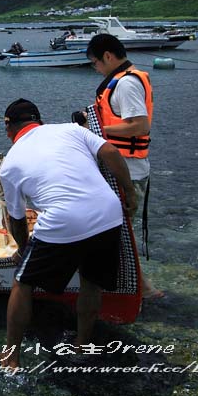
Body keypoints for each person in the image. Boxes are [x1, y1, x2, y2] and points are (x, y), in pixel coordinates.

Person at [0, 99, 137, 369]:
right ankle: (82, 345)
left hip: (63, 222)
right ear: (40, 120)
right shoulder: (71, 130)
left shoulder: (10, 164)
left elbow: (16, 220)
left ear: (8, 127)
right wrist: (129, 193)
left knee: (23, 283)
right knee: (91, 282)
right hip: (108, 213)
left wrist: (23, 250)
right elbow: (111, 152)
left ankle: (11, 357)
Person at [85, 33, 163, 299]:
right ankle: (133, 284)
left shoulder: (127, 84)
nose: (95, 68)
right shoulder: (120, 81)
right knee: (115, 233)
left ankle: (143, 289)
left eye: (95, 62)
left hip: (128, 171)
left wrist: (96, 129)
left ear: (108, 56)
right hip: (120, 167)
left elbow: (140, 125)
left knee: (117, 235)